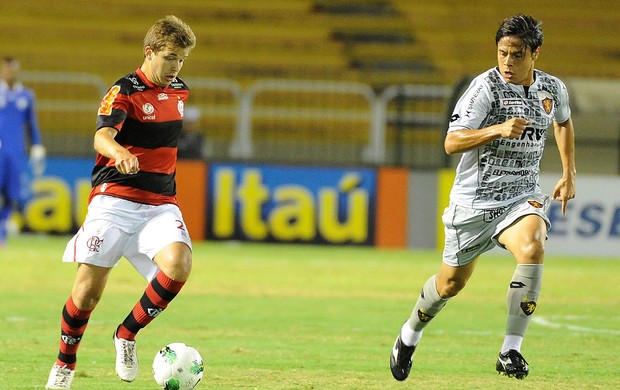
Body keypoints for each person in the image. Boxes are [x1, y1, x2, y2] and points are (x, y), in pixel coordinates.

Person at [390, 14, 576, 381]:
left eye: (517, 54)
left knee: (534, 246)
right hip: (473, 204)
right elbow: (451, 142)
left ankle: (510, 350)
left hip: (521, 197)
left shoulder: (552, 89)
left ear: (535, 53)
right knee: (449, 285)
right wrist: (497, 129)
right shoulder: (483, 89)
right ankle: (409, 333)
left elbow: (563, 122)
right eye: (502, 53)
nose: (507, 62)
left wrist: (569, 173)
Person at [45, 15, 197, 389]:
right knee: (87, 292)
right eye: (171, 57)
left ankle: (126, 335)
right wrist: (119, 152)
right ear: (150, 52)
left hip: (160, 203)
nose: (176, 67)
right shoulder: (123, 90)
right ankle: (64, 365)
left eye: (182, 59)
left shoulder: (179, 90)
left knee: (179, 264)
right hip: (114, 200)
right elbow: (101, 137)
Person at [0, 56, 46, 246]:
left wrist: (36, 145)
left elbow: (31, 125)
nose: (10, 72)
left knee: (13, 194)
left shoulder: (26, 96)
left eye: (13, 69)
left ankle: (2, 229)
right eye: (6, 69)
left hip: (16, 152)